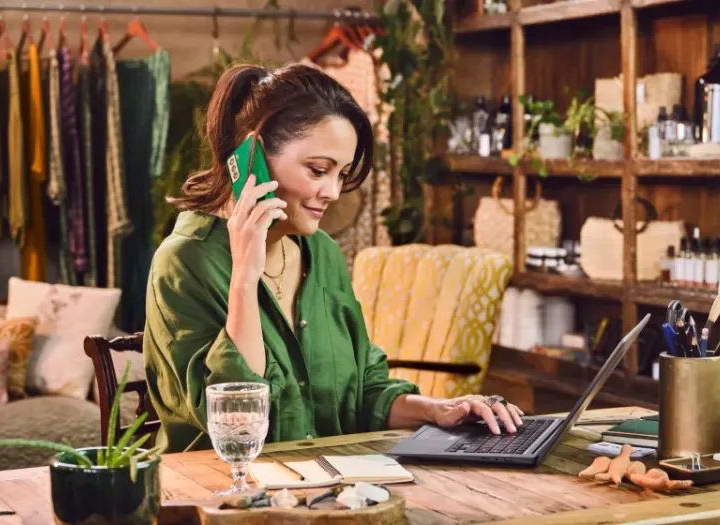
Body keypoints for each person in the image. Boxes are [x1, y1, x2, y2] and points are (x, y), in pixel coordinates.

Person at [144, 63, 524, 454]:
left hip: (332, 490)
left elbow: (364, 390)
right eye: (318, 170)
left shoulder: (321, 252)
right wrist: (244, 276)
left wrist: (441, 410)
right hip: (226, 499)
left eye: (341, 174)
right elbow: (234, 424)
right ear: (253, 155)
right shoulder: (183, 261)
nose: (333, 192)